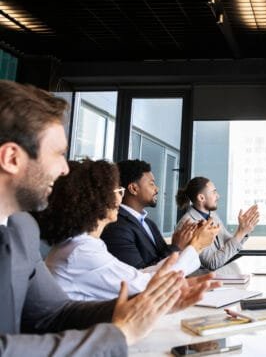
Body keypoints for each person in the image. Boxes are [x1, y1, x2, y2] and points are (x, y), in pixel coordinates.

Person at [0, 80, 212, 355]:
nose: (65, 169)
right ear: (11, 158)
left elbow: (53, 314)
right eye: (57, 154)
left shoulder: (21, 227)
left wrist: (150, 304)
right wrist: (118, 335)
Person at [40, 159, 220, 301]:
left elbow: (138, 276)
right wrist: (194, 247)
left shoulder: (83, 246)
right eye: (117, 190)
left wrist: (189, 253)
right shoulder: (81, 251)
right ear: (95, 200)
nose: (120, 197)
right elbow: (145, 284)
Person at [101, 159, 198, 269]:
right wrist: (177, 246)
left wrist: (186, 243)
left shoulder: (149, 223)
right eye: (151, 184)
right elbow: (141, 276)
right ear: (133, 188)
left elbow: (160, 256)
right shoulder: (116, 227)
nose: (157, 189)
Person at [175, 177, 260, 270]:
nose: (218, 196)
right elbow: (212, 263)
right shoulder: (189, 224)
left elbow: (230, 242)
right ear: (201, 197)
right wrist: (241, 233)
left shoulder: (212, 215)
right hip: (200, 279)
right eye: (214, 192)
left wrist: (243, 229)